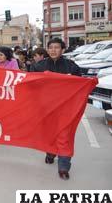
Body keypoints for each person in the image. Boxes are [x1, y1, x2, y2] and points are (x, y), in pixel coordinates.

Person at [30, 38, 81, 181]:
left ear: (63, 50)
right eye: (50, 47)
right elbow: (31, 86)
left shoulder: (71, 67)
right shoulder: (39, 66)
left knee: (64, 135)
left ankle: (64, 166)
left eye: (56, 47)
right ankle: (51, 152)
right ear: (47, 49)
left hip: (66, 109)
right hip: (45, 108)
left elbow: (80, 85)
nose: (53, 50)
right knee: (49, 133)